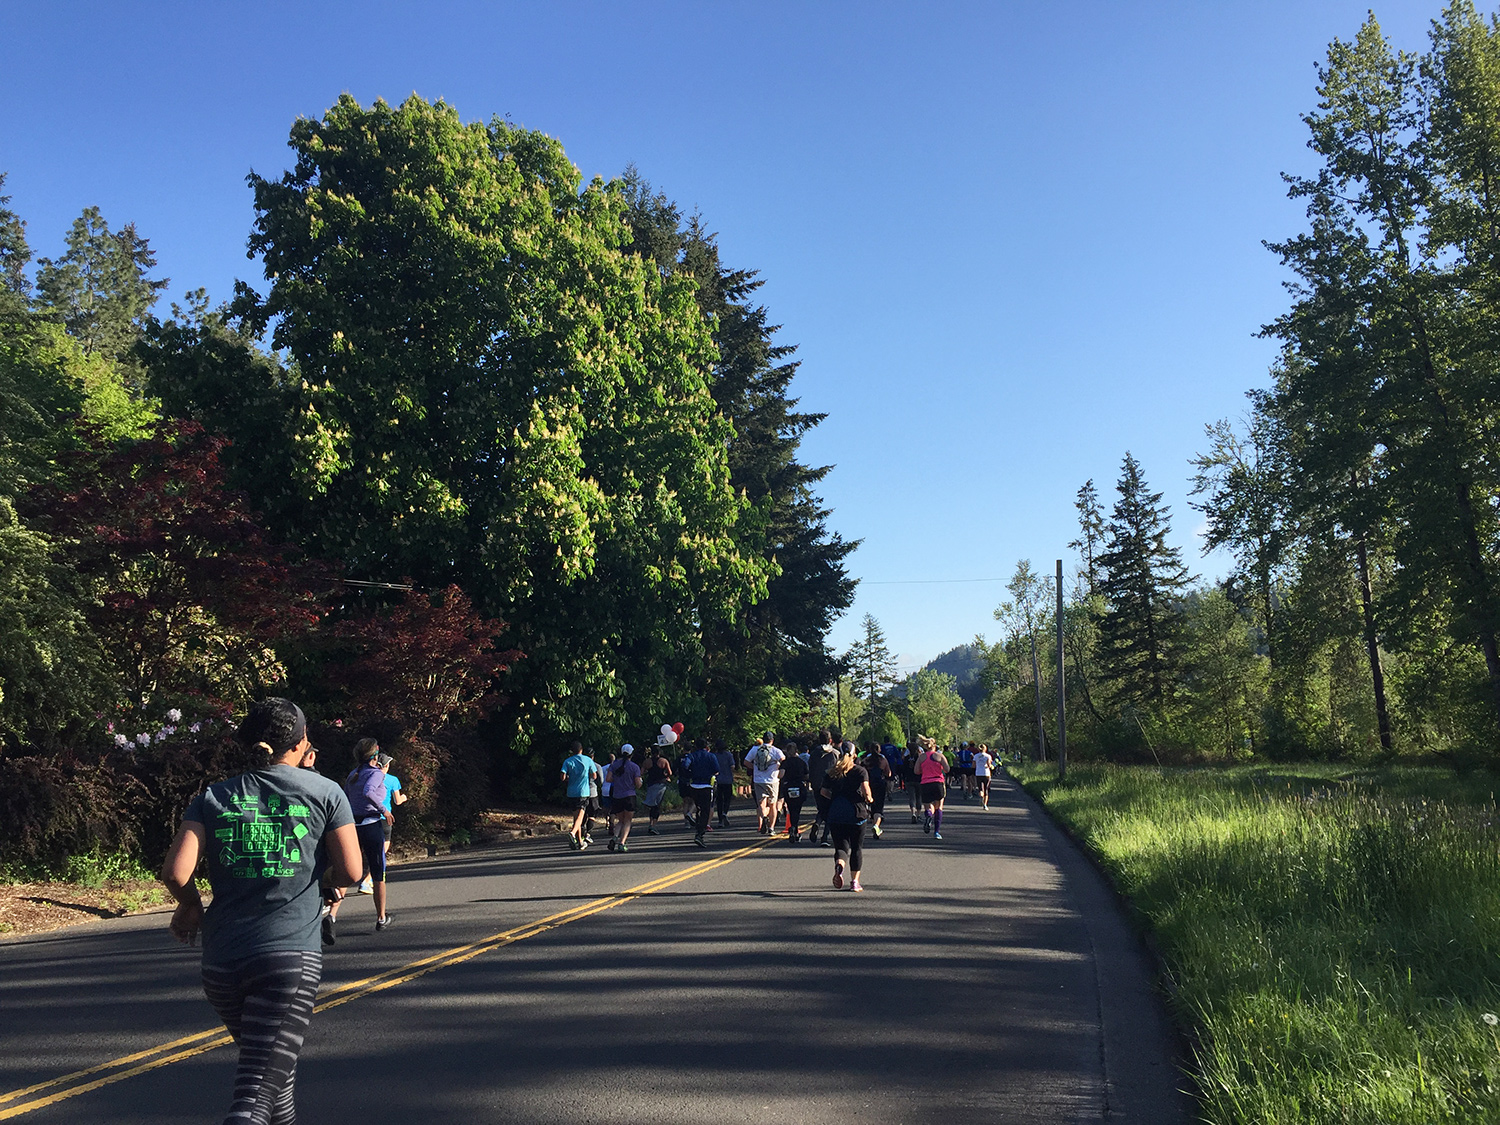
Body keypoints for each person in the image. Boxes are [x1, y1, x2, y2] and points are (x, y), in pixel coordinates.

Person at [160, 697, 362, 1125]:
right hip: (287, 960)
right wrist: (326, 883)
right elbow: (350, 869)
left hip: (221, 965)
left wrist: (191, 908)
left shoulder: (213, 796)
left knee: (274, 1077)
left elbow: (177, 873)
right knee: (254, 1096)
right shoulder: (325, 791)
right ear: (302, 740)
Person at [325, 739, 394, 940]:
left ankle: (332, 915)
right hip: (372, 824)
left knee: (348, 870)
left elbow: (345, 798)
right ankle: (381, 917)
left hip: (354, 826)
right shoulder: (375, 774)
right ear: (375, 756)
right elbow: (368, 792)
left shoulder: (352, 775)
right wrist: (384, 810)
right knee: (378, 871)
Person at [819, 743, 872, 891]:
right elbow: (866, 791)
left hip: (836, 814)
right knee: (856, 848)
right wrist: (869, 800)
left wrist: (835, 798)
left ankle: (839, 865)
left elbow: (823, 791)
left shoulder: (832, 772)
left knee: (841, 847)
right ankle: (855, 882)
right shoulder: (860, 771)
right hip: (856, 814)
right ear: (855, 755)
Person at [680, 736, 721, 847]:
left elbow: (684, 766)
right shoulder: (711, 756)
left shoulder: (691, 756)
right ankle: (700, 834)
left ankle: (697, 825)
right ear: (706, 746)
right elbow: (717, 769)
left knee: (698, 808)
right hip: (706, 786)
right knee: (705, 810)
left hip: (694, 786)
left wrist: (690, 774)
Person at [560, 742, 599, 850]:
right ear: (581, 750)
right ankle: (572, 833)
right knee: (580, 818)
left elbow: (562, 777)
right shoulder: (588, 760)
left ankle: (580, 842)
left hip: (571, 792)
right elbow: (594, 775)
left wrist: (569, 777)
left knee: (576, 818)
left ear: (572, 751)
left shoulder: (567, 761)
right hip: (583, 792)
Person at [744, 733, 785, 835]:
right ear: (772, 740)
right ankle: (771, 828)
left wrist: (755, 768)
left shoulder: (755, 749)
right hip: (773, 780)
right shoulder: (776, 750)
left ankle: (764, 817)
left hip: (758, 780)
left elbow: (746, 762)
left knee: (761, 804)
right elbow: (783, 760)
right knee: (772, 805)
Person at [606, 745, 641, 852]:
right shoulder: (634, 767)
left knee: (620, 820)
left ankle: (615, 837)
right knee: (627, 821)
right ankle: (622, 842)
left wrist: (617, 781)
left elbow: (608, 779)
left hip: (617, 796)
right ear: (632, 754)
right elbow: (638, 784)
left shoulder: (614, 765)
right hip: (629, 796)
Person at [808, 729, 838, 846]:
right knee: (831, 812)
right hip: (830, 786)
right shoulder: (834, 753)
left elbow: (810, 768)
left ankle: (817, 823)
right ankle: (824, 837)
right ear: (830, 740)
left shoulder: (814, 753)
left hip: (816, 785)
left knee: (822, 809)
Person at [779, 741, 810, 842]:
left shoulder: (785, 763)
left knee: (791, 809)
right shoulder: (801, 762)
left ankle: (793, 827)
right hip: (799, 786)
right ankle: (794, 828)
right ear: (796, 751)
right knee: (797, 809)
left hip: (788, 787)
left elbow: (781, 774)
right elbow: (807, 775)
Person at [918, 738, 949, 839]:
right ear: (935, 745)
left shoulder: (921, 757)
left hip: (925, 783)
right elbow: (947, 769)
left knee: (928, 805)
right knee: (939, 806)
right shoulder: (939, 756)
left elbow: (916, 771)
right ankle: (936, 832)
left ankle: (928, 816)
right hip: (937, 782)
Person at [378, 752, 407, 856]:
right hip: (385, 816)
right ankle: (376, 870)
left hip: (369, 816)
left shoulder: (368, 778)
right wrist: (404, 797)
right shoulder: (393, 780)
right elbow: (397, 801)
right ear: (387, 765)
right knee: (384, 846)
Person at [861, 741, 891, 839]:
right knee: (878, 808)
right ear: (879, 750)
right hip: (880, 785)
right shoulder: (883, 760)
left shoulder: (866, 760)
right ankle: (876, 826)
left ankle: (872, 820)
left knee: (870, 805)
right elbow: (888, 773)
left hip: (868, 785)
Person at [642, 745, 672, 834]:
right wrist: (666, 776)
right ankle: (653, 825)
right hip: (661, 784)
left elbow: (641, 773)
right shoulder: (663, 761)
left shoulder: (647, 762)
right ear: (659, 752)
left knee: (652, 805)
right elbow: (669, 772)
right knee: (658, 806)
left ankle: (650, 823)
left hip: (651, 784)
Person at [712, 739, 737, 828]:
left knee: (719, 800)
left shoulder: (714, 756)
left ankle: (720, 821)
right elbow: (732, 766)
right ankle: (725, 812)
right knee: (727, 798)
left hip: (717, 781)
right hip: (727, 780)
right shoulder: (729, 755)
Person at [973, 743, 994, 810]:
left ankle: (981, 795)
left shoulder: (976, 756)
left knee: (980, 788)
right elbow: (989, 765)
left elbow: (973, 765)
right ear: (985, 749)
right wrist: (990, 766)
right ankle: (985, 805)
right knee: (986, 789)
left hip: (978, 773)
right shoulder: (988, 756)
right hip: (986, 773)